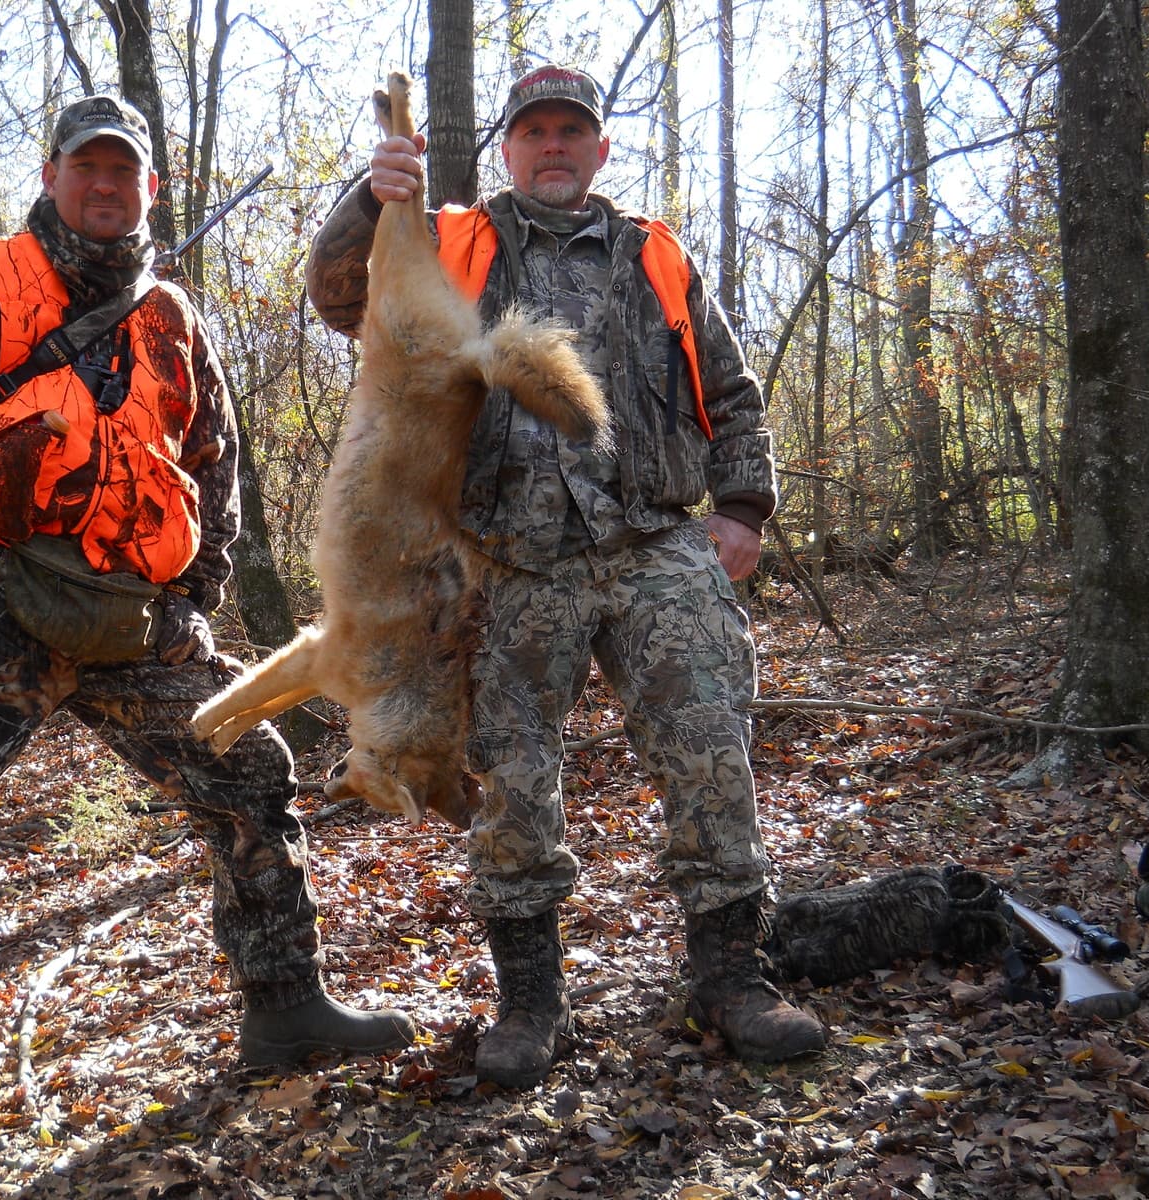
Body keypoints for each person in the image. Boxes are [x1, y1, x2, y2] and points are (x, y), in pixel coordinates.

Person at [0, 93, 412, 1162]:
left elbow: (214, 471)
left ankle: (285, 1006)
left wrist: (195, 605)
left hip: (135, 620)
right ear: (52, 176)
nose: (106, 187)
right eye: (86, 167)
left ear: (148, 185)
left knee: (250, 774)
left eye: (125, 171)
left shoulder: (175, 322)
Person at [305, 66, 825, 1089]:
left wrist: (741, 509)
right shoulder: (452, 242)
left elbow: (730, 387)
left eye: (570, 133)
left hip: (653, 545)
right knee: (510, 780)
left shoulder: (657, 254)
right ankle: (530, 1003)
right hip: (506, 563)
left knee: (708, 748)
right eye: (534, 132)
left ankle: (731, 979)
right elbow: (335, 300)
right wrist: (371, 197)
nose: (553, 146)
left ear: (598, 149)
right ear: (506, 149)